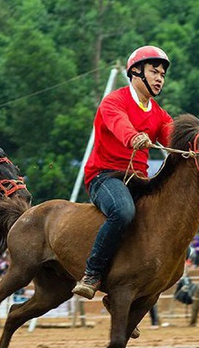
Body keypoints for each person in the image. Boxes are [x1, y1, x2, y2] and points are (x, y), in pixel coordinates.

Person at [72, 46, 173, 299]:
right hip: (105, 176)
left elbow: (176, 138)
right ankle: (92, 273)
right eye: (154, 71)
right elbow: (120, 124)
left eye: (162, 74)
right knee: (123, 211)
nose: (160, 78)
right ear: (136, 72)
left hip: (138, 181)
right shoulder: (114, 102)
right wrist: (134, 137)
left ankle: (132, 296)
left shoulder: (159, 114)